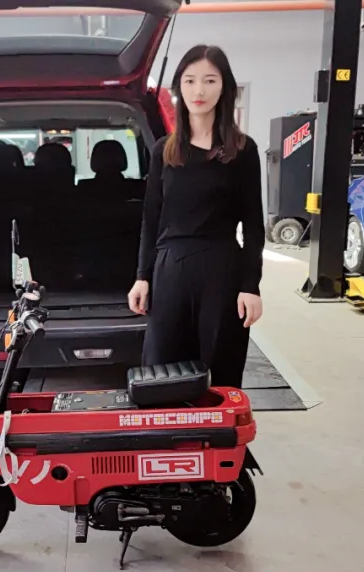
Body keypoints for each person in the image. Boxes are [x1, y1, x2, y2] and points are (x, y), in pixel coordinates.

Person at [127, 44, 265, 389]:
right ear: (179, 88)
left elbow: (253, 225)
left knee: (220, 368)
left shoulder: (242, 151)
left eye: (209, 80)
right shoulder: (164, 151)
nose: (198, 90)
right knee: (161, 371)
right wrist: (142, 276)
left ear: (224, 87)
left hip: (222, 272)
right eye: (189, 81)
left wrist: (250, 286)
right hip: (170, 271)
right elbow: (151, 219)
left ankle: (218, 425)